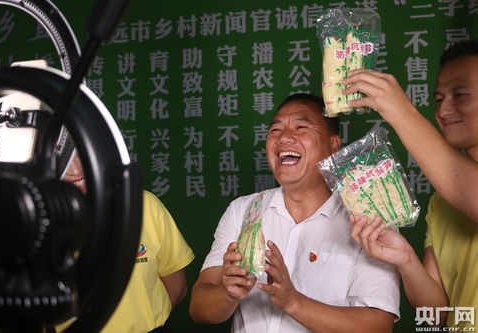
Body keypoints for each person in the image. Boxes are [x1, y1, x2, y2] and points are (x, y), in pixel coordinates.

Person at [189, 93, 400, 333]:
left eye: (301, 127)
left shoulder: (367, 218)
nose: (284, 138)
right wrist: (228, 293)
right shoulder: (244, 210)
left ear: (334, 144)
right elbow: (199, 309)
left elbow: (378, 326)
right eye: (275, 130)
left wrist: (293, 302)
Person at [343, 40, 478, 329]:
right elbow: (436, 316)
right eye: (439, 98)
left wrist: (399, 110)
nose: (444, 110)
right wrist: (404, 258)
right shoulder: (441, 202)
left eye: (461, 94)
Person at [59, 152, 195, 333]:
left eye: (78, 153)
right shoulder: (32, 220)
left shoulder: (143, 204)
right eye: (61, 154)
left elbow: (177, 286)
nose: (74, 170)